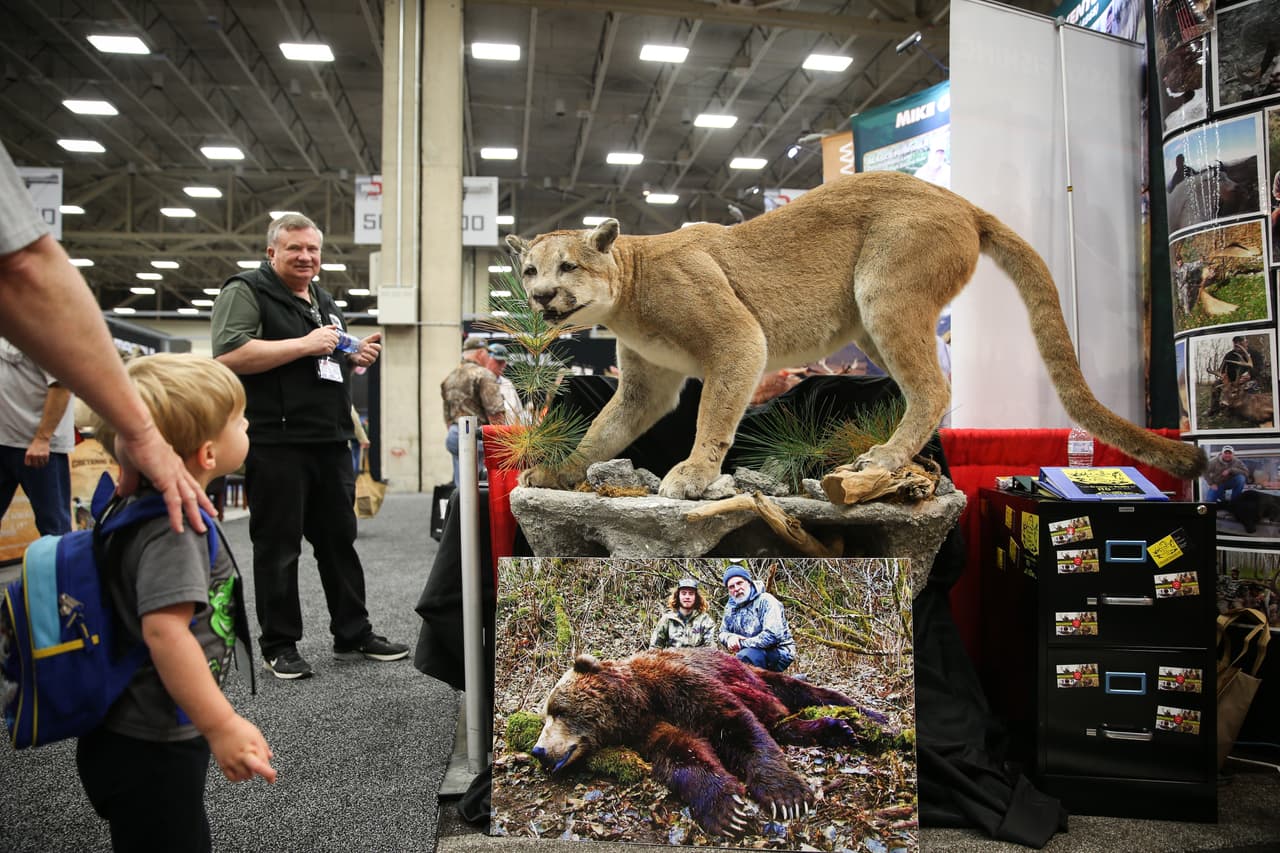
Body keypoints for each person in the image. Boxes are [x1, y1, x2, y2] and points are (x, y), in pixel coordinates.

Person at [81, 353, 276, 851]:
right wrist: (221, 724)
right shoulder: (175, 529)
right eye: (238, 419)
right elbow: (165, 632)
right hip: (152, 737)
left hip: (130, 724)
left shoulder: (132, 502)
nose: (247, 424)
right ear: (208, 454)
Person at [210, 212, 407, 680]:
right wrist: (304, 344)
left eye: (312, 249)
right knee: (278, 547)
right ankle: (279, 644)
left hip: (330, 439)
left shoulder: (322, 298)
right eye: (294, 248)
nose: (305, 256)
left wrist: (353, 354)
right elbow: (229, 353)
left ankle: (353, 632)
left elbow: (326, 355)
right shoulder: (246, 290)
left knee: (340, 542)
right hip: (277, 442)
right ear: (271, 252)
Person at [0, 140, 210, 535]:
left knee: (54, 524)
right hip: (10, 439)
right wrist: (139, 434)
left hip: (34, 442)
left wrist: (136, 433)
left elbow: (60, 382)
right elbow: (23, 268)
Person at [0, 336, 75, 535]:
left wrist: (43, 439)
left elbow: (62, 387)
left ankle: (59, 558)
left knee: (54, 527)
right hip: (4, 440)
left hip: (39, 448)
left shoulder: (44, 335)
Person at [441, 336, 507, 485]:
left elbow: (447, 416)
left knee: (461, 484)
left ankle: (461, 499)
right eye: (487, 353)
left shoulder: (450, 377)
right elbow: (495, 412)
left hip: (454, 434)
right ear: (480, 353)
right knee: (479, 486)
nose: (488, 357)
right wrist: (501, 442)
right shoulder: (484, 375)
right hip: (476, 437)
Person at [718, 562, 796, 672]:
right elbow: (722, 632)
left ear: (749, 582)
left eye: (739, 583)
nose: (737, 588)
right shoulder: (730, 608)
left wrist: (741, 643)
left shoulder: (766, 601)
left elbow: (771, 637)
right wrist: (729, 638)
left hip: (779, 651)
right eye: (731, 587)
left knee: (746, 658)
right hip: (748, 651)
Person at [649, 577, 716, 649]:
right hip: (672, 655)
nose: (687, 597)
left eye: (691, 594)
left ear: (696, 597)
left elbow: (711, 648)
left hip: (697, 656)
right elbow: (654, 647)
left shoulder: (705, 620)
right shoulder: (668, 619)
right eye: (684, 593)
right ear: (678, 596)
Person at [1208, 336, 1256, 415]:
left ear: (1246, 342)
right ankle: (1214, 409)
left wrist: (1250, 375)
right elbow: (1222, 370)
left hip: (1248, 380)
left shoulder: (1254, 354)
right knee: (1216, 384)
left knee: (1252, 386)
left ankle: (1247, 409)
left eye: (1240, 343)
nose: (1238, 345)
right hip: (1231, 381)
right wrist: (1223, 377)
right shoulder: (1229, 355)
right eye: (1235, 344)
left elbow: (1260, 369)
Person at [486, 342, 526, 424]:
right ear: (487, 360)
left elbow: (519, 414)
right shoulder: (477, 382)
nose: (503, 365)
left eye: (504, 361)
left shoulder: (508, 384)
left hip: (508, 431)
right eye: (499, 361)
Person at [350, 405, 369, 474]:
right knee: (357, 455)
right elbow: (358, 426)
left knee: (353, 455)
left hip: (351, 438)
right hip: (357, 439)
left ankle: (354, 471)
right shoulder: (351, 408)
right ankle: (356, 471)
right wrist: (364, 440)